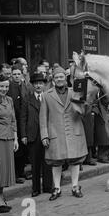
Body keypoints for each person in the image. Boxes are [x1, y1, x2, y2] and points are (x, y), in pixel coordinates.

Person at [40, 67, 88, 201]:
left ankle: (75, 186)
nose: (59, 79)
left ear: (65, 78)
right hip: (55, 133)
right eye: (56, 77)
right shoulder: (46, 95)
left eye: (61, 77)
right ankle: (56, 188)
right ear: (53, 80)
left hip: (74, 130)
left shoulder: (75, 92)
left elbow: (85, 111)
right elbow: (43, 117)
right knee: (56, 161)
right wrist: (44, 135)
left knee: (75, 159)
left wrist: (84, 104)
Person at [20, 73, 53, 197]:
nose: (38, 85)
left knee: (47, 161)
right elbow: (23, 118)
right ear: (32, 85)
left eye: (41, 83)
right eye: (36, 83)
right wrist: (23, 135)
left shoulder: (48, 98)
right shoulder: (27, 99)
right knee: (35, 163)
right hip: (32, 135)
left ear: (44, 85)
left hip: (46, 134)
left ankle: (48, 186)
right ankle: (35, 188)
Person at [0, 75, 19, 213]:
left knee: (5, 170)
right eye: (1, 86)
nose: (4, 89)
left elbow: (13, 120)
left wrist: (16, 138)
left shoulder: (10, 100)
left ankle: (1, 196)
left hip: (8, 138)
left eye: (6, 86)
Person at [8, 63, 30, 184]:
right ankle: (16, 174)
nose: (16, 76)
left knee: (24, 147)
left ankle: (21, 171)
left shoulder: (25, 85)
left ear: (22, 74)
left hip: (25, 120)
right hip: (14, 120)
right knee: (17, 149)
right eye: (14, 74)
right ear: (11, 75)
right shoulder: (9, 87)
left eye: (18, 74)